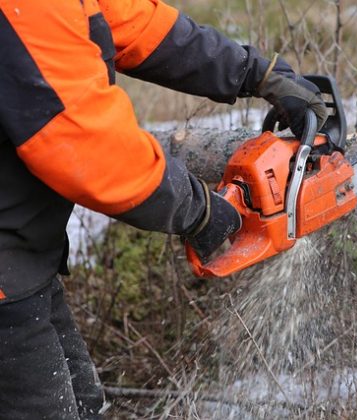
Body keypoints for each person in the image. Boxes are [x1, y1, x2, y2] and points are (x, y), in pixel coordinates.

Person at [0, 0, 327, 418]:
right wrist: (197, 210)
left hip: (24, 261)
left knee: (84, 406)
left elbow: (135, 24)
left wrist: (253, 72)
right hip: (8, 269)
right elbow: (82, 141)